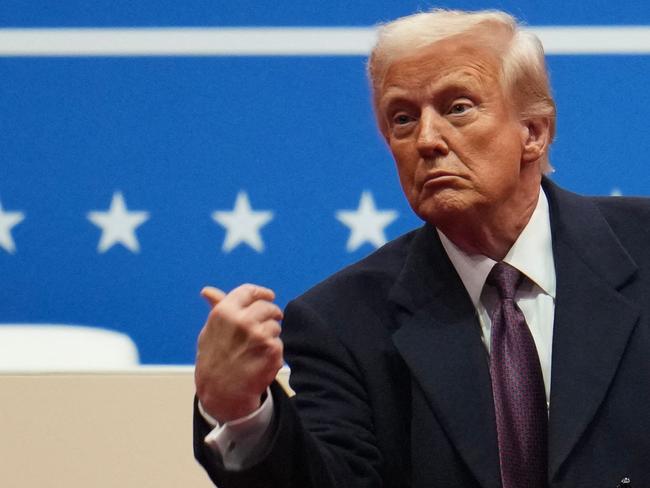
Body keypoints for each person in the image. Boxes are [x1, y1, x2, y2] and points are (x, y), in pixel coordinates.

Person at [193, 8, 650, 488]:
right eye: (403, 119)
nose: (427, 140)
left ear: (533, 132)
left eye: (458, 108)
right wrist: (241, 412)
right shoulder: (342, 323)